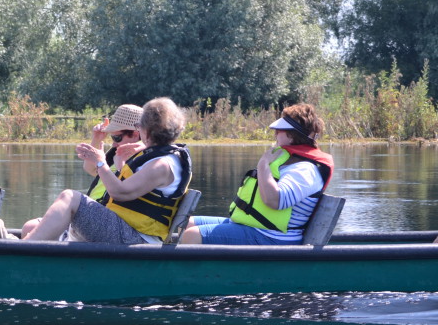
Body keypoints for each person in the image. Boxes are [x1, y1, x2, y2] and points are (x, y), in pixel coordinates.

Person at [22, 97, 192, 244]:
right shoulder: (155, 157)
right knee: (36, 223)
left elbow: (120, 193)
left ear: (148, 130)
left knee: (70, 197)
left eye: (139, 126)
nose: (139, 130)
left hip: (138, 239)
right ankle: (31, 249)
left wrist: (100, 162)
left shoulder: (162, 164)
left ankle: (24, 251)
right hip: (128, 231)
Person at [179, 103, 334, 245]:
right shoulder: (288, 162)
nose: (275, 134)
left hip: (274, 237)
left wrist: (263, 164)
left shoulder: (305, 169)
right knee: (185, 223)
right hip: (257, 227)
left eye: (279, 130)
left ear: (292, 135)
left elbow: (275, 201)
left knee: (192, 235)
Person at [19, 104, 144, 238]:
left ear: (135, 134)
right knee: (29, 226)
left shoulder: (143, 159)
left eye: (117, 138)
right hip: (94, 216)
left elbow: (124, 191)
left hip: (112, 222)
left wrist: (105, 163)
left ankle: (22, 249)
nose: (113, 143)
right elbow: (91, 169)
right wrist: (97, 140)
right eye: (111, 137)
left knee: (69, 196)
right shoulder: (117, 153)